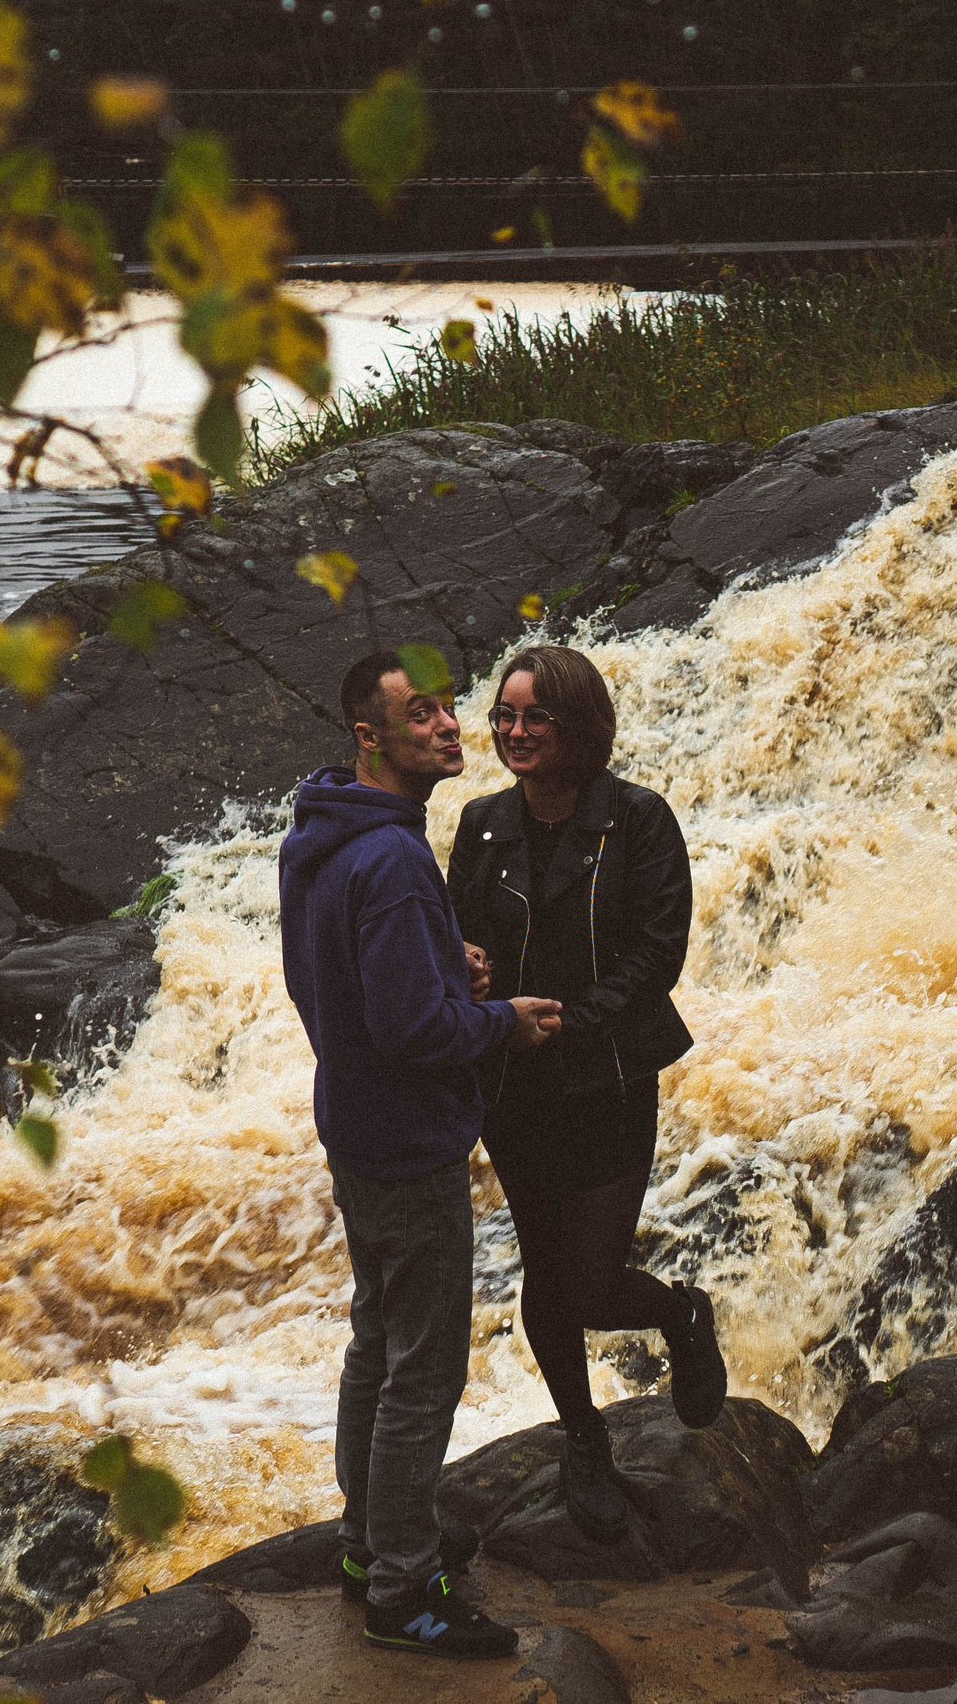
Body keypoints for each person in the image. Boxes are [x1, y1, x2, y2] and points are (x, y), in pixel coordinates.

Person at [278, 650, 562, 1659]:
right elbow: (413, 1033)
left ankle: (365, 1542)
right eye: (422, 714)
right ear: (369, 734)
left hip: (352, 1121)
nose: (450, 727)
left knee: (374, 1341)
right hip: (405, 1138)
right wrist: (494, 1019)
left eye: (450, 710)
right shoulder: (393, 859)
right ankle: (402, 1591)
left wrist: (442, 962)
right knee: (423, 1370)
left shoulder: (326, 827)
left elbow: (328, 974)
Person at [448, 645, 726, 1543]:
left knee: (595, 1282)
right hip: (516, 1081)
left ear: (578, 725)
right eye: (505, 716)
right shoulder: (484, 824)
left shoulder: (638, 820)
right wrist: (469, 963)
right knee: (546, 1278)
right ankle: (585, 1439)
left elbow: (661, 947)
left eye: (535, 717)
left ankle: (682, 1314)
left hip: (605, 1072)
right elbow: (458, 934)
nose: (515, 732)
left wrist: (582, 1017)